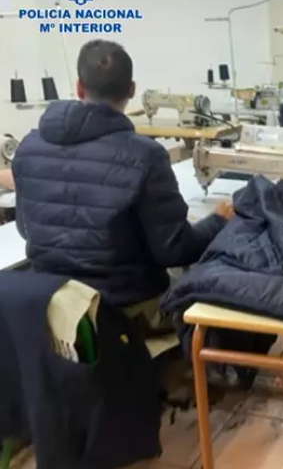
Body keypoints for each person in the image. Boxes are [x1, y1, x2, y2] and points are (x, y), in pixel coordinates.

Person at [11, 39, 233, 309]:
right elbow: (175, 251)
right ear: (132, 89)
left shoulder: (28, 147)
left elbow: (26, 230)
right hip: (123, 310)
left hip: (50, 308)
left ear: (79, 87)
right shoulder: (145, 155)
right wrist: (217, 221)